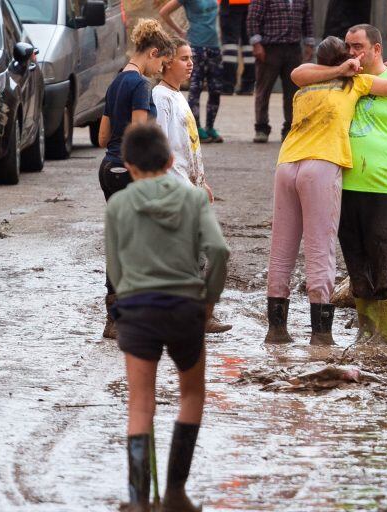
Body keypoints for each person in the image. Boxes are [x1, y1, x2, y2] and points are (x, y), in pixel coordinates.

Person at [106, 123, 229, 510]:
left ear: (128, 166)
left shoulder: (118, 205)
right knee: (191, 394)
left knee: (141, 402)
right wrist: (208, 301)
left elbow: (115, 269)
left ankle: (138, 499)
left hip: (138, 310)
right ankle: (175, 492)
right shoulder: (193, 199)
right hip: (184, 309)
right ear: (172, 160)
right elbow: (220, 252)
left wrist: (126, 307)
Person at [265, 37, 387, 346]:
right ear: (345, 61)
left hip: (287, 163)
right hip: (321, 165)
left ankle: (276, 330)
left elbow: (297, 72)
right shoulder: (356, 83)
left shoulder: (305, 86)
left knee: (281, 248)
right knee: (321, 248)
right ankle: (321, 334)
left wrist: (335, 68)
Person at [152, 37, 233, 334]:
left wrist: (201, 180)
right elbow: (161, 147)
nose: (191, 64)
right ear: (166, 61)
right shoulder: (161, 98)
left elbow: (189, 146)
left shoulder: (177, 96)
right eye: (184, 58)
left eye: (192, 59)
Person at [99, 19, 174, 339]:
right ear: (153, 52)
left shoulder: (117, 81)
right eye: (162, 62)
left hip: (108, 170)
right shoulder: (141, 85)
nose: (160, 70)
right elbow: (139, 136)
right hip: (131, 171)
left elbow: (103, 136)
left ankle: (115, 318)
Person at [247, 0, 315, 143]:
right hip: (269, 48)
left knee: (293, 91)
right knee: (263, 90)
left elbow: (307, 19)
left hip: (293, 48)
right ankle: (261, 128)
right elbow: (253, 18)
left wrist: (309, 42)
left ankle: (289, 128)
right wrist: (256, 44)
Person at [160, 0, 225, 143]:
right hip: (197, 46)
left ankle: (210, 127)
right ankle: (196, 127)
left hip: (214, 46)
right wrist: (180, 31)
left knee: (216, 89)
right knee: (196, 87)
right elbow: (164, 12)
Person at [218, 0, 255, 95]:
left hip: (230, 3)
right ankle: (248, 87)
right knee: (248, 46)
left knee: (230, 45)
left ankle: (228, 86)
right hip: (252, 4)